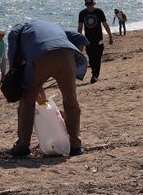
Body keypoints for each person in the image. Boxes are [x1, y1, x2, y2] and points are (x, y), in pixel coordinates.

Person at [6, 20, 89, 158]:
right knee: (70, 100)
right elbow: (79, 38)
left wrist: (20, 81)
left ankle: (22, 147)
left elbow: (14, 61)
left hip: (41, 56)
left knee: (27, 102)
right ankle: (75, 146)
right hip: (66, 54)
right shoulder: (52, 26)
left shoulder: (16, 33)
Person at [78, 0, 113, 84]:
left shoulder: (99, 12)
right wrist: (78, 38)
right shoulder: (82, 13)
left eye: (90, 4)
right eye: (87, 5)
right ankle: (94, 73)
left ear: (94, 4)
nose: (89, 6)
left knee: (98, 57)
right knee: (91, 57)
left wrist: (110, 36)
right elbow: (80, 27)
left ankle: (95, 75)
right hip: (88, 39)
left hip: (98, 39)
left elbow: (105, 24)